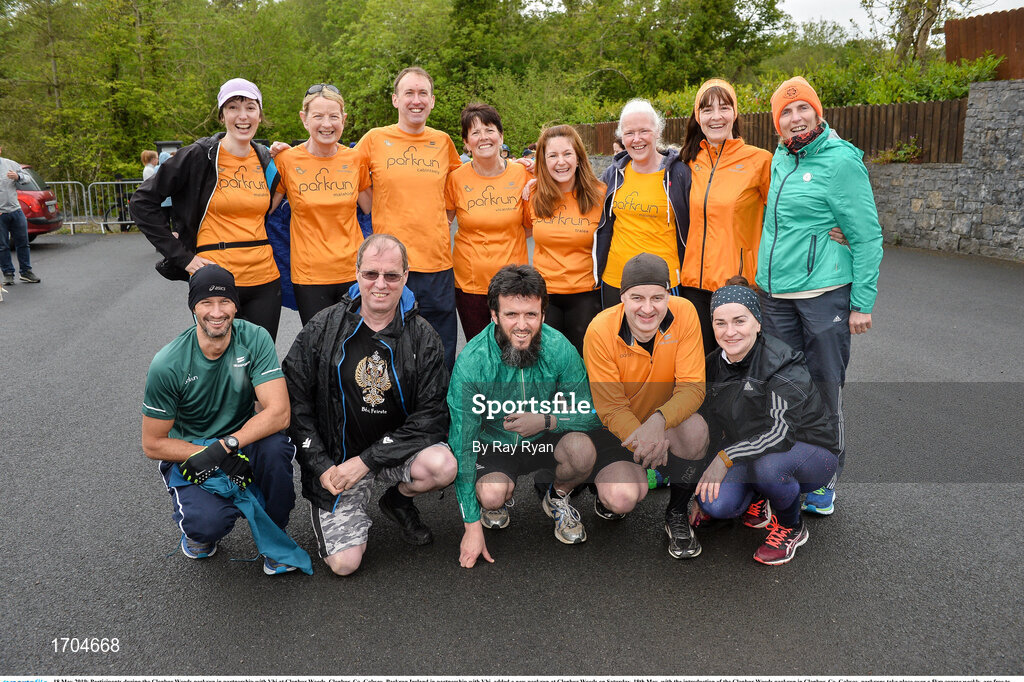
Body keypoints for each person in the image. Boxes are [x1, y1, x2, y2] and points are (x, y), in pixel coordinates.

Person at [283, 234, 456, 576]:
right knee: (345, 565)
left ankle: (397, 499)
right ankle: (350, 505)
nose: (381, 284)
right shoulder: (323, 327)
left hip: (392, 453)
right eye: (371, 274)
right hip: (337, 460)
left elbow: (432, 417)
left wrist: (366, 462)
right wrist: (320, 465)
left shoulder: (423, 336)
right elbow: (295, 400)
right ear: (357, 273)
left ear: (406, 276)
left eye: (392, 275)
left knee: (442, 465)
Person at [756, 77, 883, 515]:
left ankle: (825, 479)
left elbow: (867, 237)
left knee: (826, 389)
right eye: (786, 113)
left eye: (802, 109)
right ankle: (790, 470)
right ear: (777, 123)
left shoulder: (841, 160)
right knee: (787, 390)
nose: (795, 119)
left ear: (817, 111)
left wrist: (862, 302)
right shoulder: (779, 159)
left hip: (824, 295)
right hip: (775, 295)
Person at [141, 265, 307, 575]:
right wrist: (210, 454)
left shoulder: (254, 338)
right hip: (191, 449)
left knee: (276, 448)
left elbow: (279, 412)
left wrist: (227, 446)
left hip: (242, 437)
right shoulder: (168, 363)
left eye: (224, 302)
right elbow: (152, 443)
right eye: (206, 303)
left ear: (235, 304)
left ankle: (276, 531)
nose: (216, 312)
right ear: (193, 307)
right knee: (207, 526)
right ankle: (197, 527)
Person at [449, 264, 608, 569]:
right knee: (492, 495)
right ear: (494, 315)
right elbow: (462, 443)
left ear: (543, 315)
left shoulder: (560, 348)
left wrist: (547, 420)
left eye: (531, 315)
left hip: (546, 439)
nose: (522, 325)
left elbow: (592, 412)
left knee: (583, 451)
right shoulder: (472, 362)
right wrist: (471, 526)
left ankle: (557, 496)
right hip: (495, 444)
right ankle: (498, 496)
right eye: (511, 315)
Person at [695, 279, 840, 564]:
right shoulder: (712, 364)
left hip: (808, 452)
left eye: (740, 321)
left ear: (758, 323)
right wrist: (697, 488)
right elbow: (710, 425)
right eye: (720, 323)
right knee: (715, 503)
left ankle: (791, 526)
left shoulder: (781, 362)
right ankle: (760, 498)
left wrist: (724, 458)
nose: (730, 331)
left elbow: (779, 434)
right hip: (750, 450)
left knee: (769, 468)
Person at [130, 78, 284, 340]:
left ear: (260, 114)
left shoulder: (267, 159)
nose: (242, 116)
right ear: (222, 116)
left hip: (264, 279)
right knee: (216, 365)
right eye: (233, 107)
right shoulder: (199, 156)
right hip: (215, 278)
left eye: (250, 107)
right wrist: (183, 258)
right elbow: (142, 203)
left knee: (258, 363)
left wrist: (289, 154)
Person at [583, 253, 709, 559]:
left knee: (696, 432)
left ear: (669, 294)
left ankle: (677, 513)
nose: (648, 307)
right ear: (622, 296)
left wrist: (658, 421)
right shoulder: (599, 330)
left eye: (657, 297)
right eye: (637, 297)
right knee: (623, 496)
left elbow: (693, 386)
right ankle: (607, 492)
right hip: (617, 431)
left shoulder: (686, 313)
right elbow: (610, 408)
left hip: (664, 423)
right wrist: (645, 437)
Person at [356, 66, 462, 369]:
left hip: (437, 263)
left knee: (440, 352)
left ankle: (439, 413)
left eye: (423, 93)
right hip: (389, 267)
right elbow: (347, 172)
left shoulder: (443, 142)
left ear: (432, 101)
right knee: (390, 351)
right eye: (409, 93)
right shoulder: (374, 139)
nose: (416, 100)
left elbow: (462, 185)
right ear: (395, 99)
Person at [679, 79, 772, 355]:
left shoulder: (760, 160)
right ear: (698, 116)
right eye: (707, 109)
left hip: (737, 283)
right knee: (701, 366)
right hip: (692, 286)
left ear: (735, 113)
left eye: (724, 107)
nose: (716, 116)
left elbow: (789, 211)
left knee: (739, 364)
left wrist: (832, 224)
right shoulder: (687, 162)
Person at [271, 83, 371, 325]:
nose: (327, 124)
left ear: (343, 119)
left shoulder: (356, 158)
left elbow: (371, 208)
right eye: (318, 116)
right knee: (318, 349)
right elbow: (264, 209)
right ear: (304, 119)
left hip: (353, 272)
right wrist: (265, 159)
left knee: (355, 346)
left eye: (334, 117)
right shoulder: (286, 160)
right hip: (309, 275)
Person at [596, 99, 692, 315]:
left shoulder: (679, 174)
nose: (636, 139)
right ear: (622, 137)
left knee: (664, 345)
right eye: (629, 133)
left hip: (663, 281)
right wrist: (535, 177)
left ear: (657, 132)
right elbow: (578, 190)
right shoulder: (613, 173)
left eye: (644, 131)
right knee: (618, 345)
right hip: (615, 280)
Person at [446, 103, 532, 341]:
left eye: (489, 129)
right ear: (466, 143)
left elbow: (531, 227)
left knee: (515, 348)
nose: (483, 137)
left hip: (514, 283)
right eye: (475, 132)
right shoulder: (455, 179)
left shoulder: (523, 175)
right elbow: (444, 223)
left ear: (501, 136)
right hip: (470, 286)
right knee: (481, 351)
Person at [526, 125, 605, 353]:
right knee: (548, 364)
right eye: (552, 155)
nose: (561, 162)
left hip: (586, 295)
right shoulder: (532, 195)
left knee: (583, 364)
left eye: (567, 154)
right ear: (543, 161)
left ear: (579, 158)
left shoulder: (600, 195)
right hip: (544, 296)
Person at [0, 145, 40, 285]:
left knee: (23, 242)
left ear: (0, 149)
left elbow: (27, 179)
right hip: (0, 214)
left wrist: (17, 176)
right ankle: (8, 274)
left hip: (16, 211)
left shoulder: (10, 164)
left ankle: (26, 272)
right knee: (2, 245)